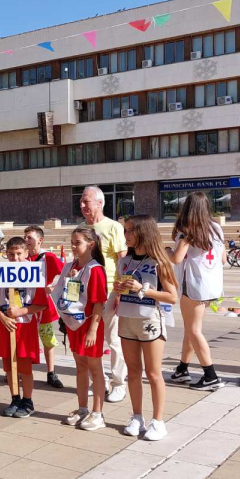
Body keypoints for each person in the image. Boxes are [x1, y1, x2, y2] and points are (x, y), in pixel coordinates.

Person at [115, 214, 177, 441]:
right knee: (132, 372)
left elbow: (172, 296)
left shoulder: (159, 261)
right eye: (125, 230)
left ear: (144, 232)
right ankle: (137, 416)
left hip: (151, 321)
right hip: (127, 320)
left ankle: (158, 421)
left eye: (130, 230)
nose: (127, 235)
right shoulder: (124, 260)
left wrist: (144, 289)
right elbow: (121, 290)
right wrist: (119, 288)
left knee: (153, 373)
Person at [168, 191, 225, 390]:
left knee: (193, 330)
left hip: (192, 286)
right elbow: (223, 259)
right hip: (211, 285)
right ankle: (182, 369)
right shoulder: (216, 228)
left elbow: (176, 258)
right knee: (191, 328)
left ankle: (210, 375)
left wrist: (167, 251)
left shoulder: (188, 231)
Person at [56, 227, 108, 431]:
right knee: (80, 367)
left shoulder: (95, 269)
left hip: (89, 325)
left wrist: (93, 330)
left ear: (91, 244)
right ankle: (83, 408)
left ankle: (98, 413)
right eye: (72, 242)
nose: (73, 246)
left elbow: (98, 303)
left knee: (95, 369)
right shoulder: (72, 267)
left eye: (77, 242)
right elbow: (70, 295)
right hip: (74, 324)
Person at [80, 185, 128, 403]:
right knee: (91, 338)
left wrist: (120, 291)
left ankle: (119, 383)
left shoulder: (113, 227)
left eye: (86, 201)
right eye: (81, 201)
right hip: (86, 294)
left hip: (109, 291)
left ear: (100, 203)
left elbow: (122, 260)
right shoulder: (82, 228)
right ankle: (98, 379)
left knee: (113, 339)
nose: (82, 205)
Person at [0, 237, 48, 419]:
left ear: (26, 253)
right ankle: (14, 398)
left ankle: (27, 400)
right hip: (5, 325)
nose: (15, 258)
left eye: (18, 254)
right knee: (9, 367)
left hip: (24, 326)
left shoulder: (34, 273)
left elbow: (41, 304)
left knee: (24, 366)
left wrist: (21, 310)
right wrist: (2, 317)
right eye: (11, 254)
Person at [24, 226, 65, 389]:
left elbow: (64, 275)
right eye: (25, 237)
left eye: (30, 238)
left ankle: (51, 372)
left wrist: (54, 287)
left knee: (48, 339)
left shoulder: (48, 257)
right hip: (25, 306)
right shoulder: (22, 258)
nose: (26, 240)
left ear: (40, 240)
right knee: (25, 338)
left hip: (44, 307)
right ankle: (23, 370)